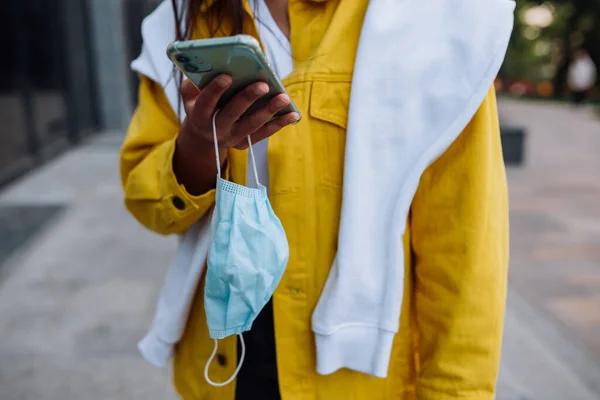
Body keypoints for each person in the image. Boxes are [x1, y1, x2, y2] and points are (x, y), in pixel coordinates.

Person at [120, 0, 513, 399]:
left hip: (359, 378)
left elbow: (464, 239)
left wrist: (454, 390)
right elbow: (148, 204)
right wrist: (200, 144)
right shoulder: (181, 21)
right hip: (225, 364)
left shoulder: (434, 17)